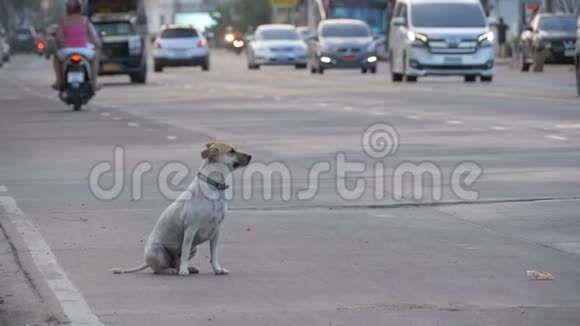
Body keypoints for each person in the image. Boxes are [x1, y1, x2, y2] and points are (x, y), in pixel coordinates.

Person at [53, 0, 101, 90]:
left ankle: (59, 82)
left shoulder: (64, 21)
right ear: (80, 9)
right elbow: (93, 38)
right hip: (83, 50)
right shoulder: (85, 20)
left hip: (67, 51)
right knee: (95, 57)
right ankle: (94, 82)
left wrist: (60, 45)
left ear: (68, 9)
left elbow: (58, 38)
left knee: (56, 58)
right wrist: (97, 44)